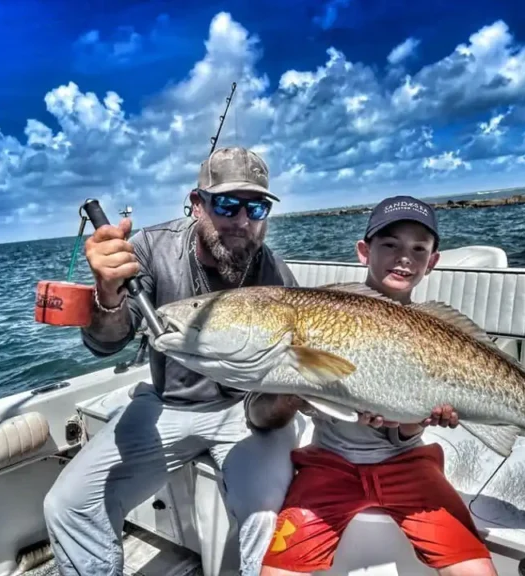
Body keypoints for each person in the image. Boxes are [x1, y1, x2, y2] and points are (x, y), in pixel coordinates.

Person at [43, 146, 304, 576]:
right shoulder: (147, 247)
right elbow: (109, 343)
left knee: (270, 521)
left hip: (247, 411)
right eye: (226, 204)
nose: (242, 221)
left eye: (256, 207)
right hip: (168, 404)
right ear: (197, 204)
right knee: (68, 504)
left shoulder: (273, 271)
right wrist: (106, 295)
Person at [257, 196, 499, 576]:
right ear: (363, 251)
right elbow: (291, 398)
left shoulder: (437, 334)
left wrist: (414, 423)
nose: (404, 258)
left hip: (407, 465)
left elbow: (405, 433)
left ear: (432, 261)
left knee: (478, 571)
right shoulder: (325, 312)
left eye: (418, 249)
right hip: (329, 465)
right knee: (275, 572)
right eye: (390, 244)